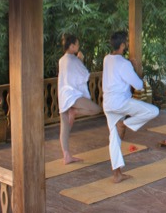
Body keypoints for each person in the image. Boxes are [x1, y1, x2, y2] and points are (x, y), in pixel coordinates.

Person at [102, 30, 159, 183]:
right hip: (121, 103)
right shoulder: (124, 64)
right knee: (153, 111)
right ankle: (125, 123)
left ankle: (117, 174)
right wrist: (132, 67)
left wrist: (128, 64)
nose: (127, 44)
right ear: (122, 45)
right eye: (126, 42)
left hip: (107, 104)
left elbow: (117, 67)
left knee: (114, 138)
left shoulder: (106, 59)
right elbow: (139, 85)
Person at [57, 34, 101, 165]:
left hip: (63, 95)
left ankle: (66, 155)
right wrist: (80, 59)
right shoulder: (74, 60)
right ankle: (75, 111)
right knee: (96, 109)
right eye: (76, 44)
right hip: (72, 95)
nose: (78, 46)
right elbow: (84, 75)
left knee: (64, 126)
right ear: (71, 46)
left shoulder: (61, 60)